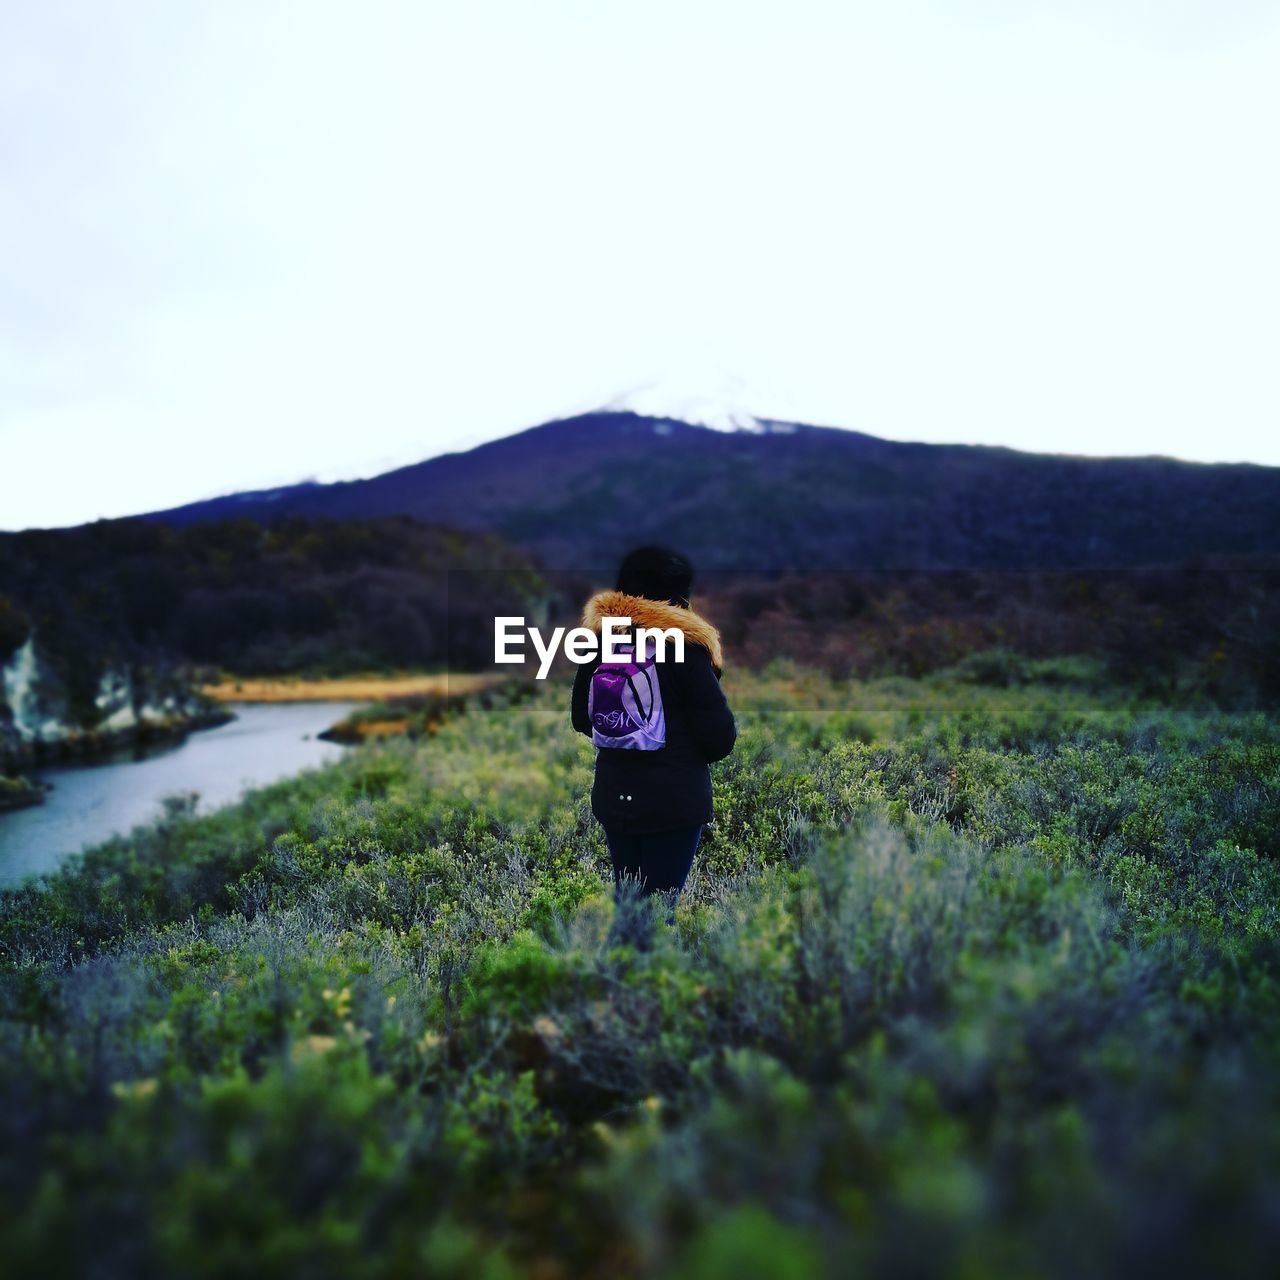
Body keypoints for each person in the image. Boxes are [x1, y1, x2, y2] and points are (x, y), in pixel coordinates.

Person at [571, 546, 737, 922]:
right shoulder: (685, 648)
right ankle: (637, 979)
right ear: (678, 597)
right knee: (656, 918)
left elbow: (583, 719)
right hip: (673, 805)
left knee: (629, 910)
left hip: (615, 799)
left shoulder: (601, 643)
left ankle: (613, 976)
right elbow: (719, 738)